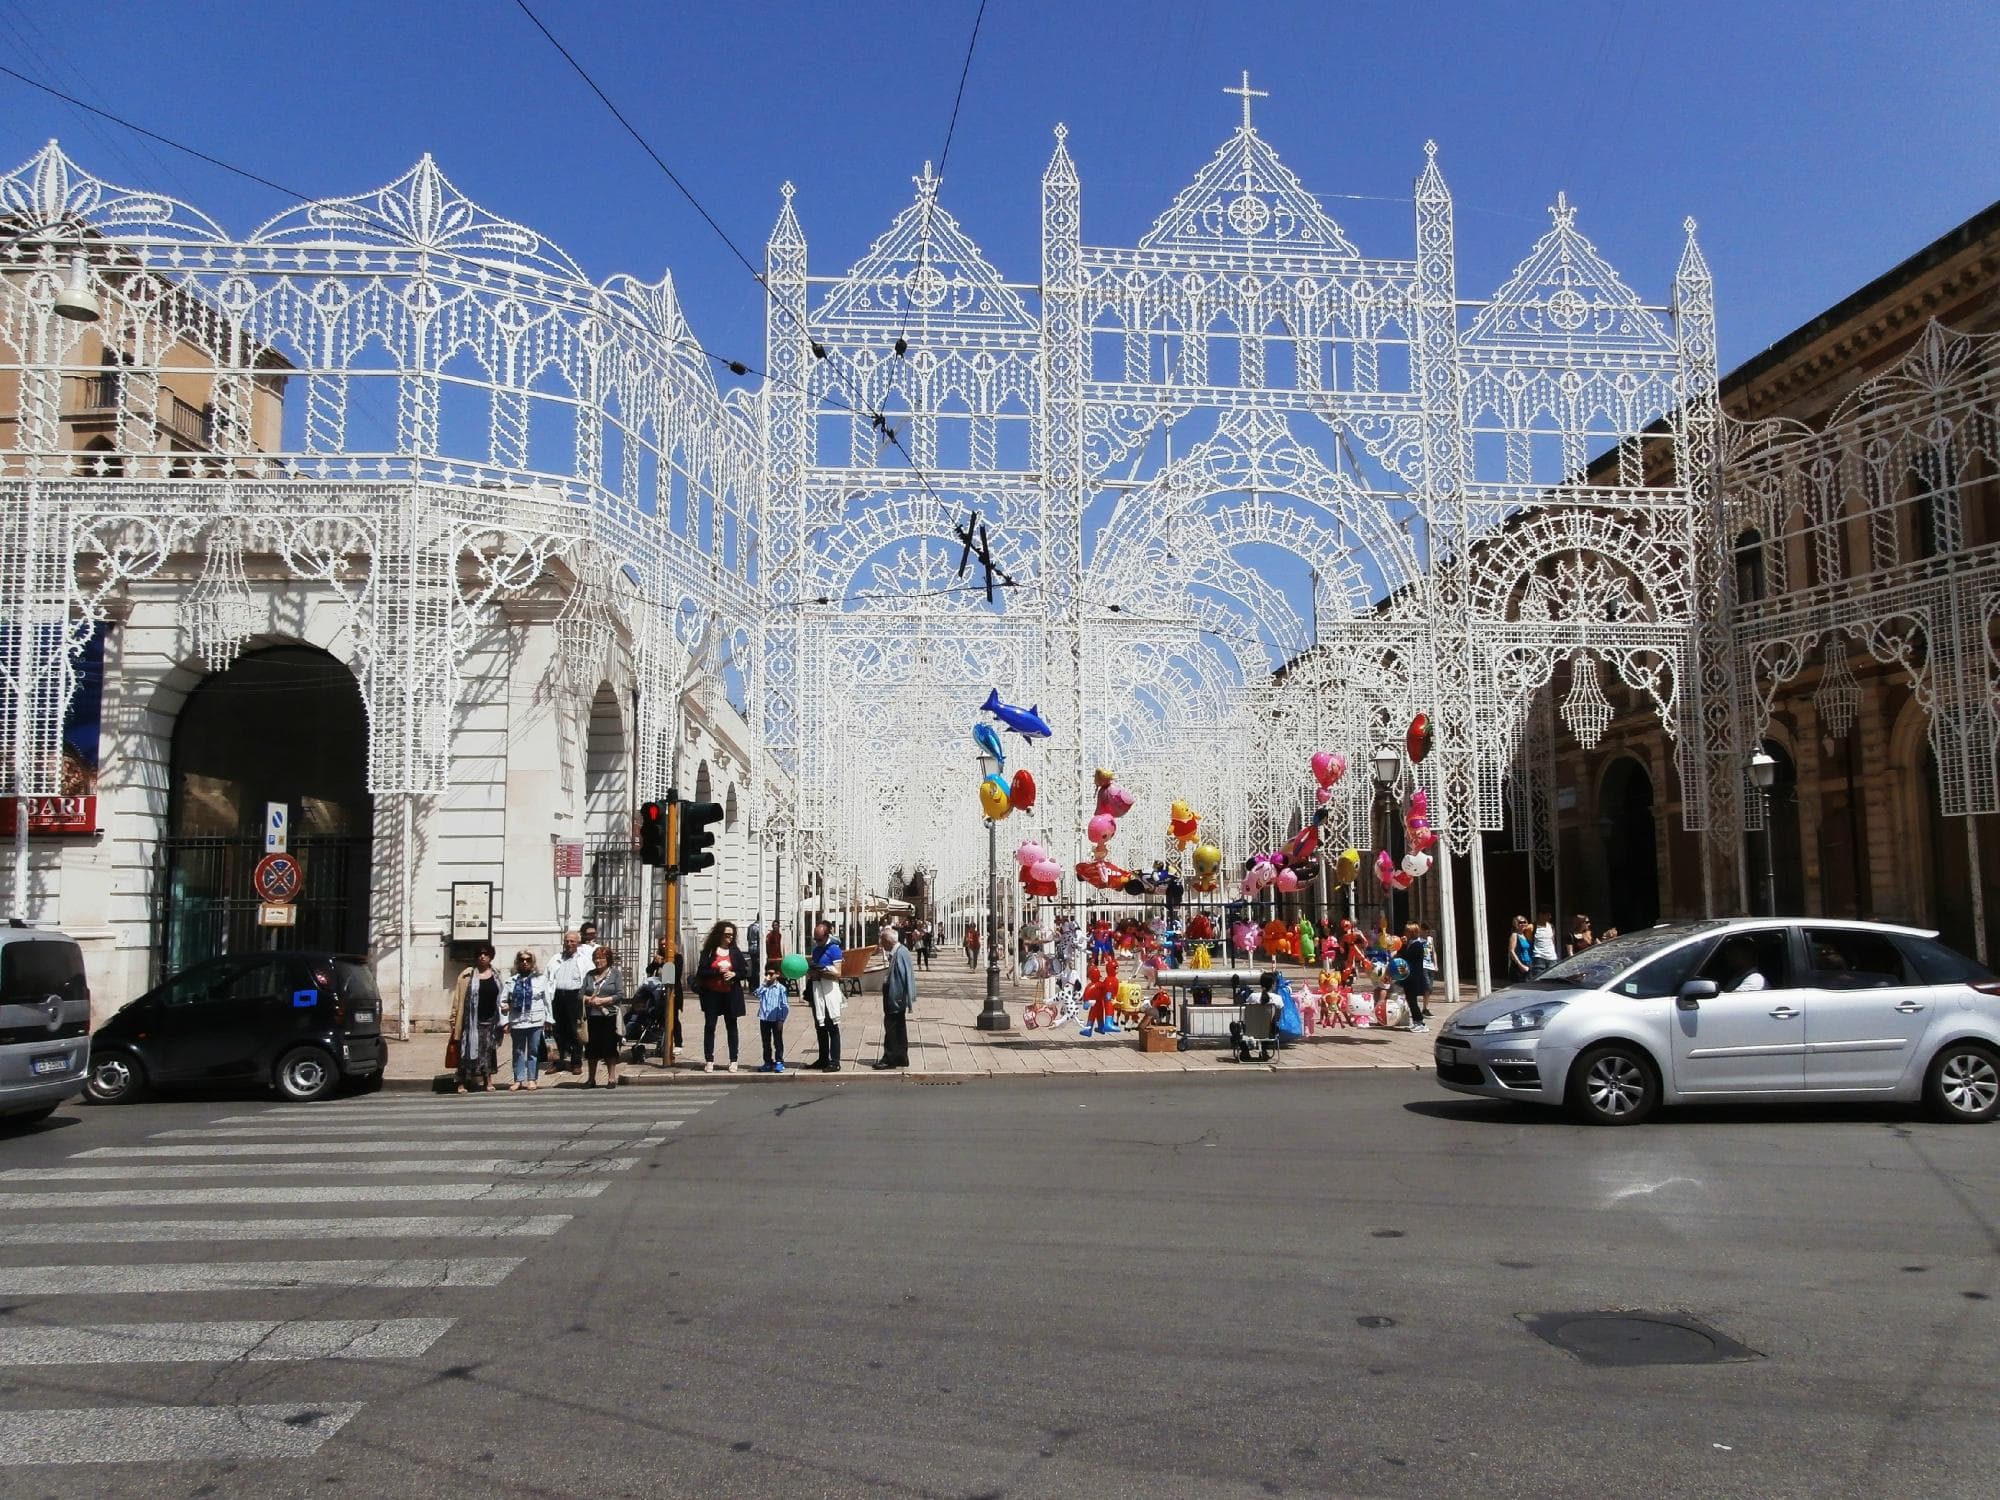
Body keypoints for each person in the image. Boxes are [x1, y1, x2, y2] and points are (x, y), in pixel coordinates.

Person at [693, 919, 750, 1074]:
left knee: (732, 1027)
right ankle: (709, 1060)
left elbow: (744, 972)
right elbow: (701, 972)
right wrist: (718, 971)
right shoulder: (709, 951)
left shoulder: (735, 952)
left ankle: (733, 1060)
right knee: (710, 1026)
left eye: (732, 935)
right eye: (726, 935)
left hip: (730, 994)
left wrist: (734, 974)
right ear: (719, 935)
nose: (729, 938)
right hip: (712, 994)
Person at [450, 943, 502, 1093]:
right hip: (470, 1021)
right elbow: (457, 999)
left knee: (488, 1052)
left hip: (490, 1020)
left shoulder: (496, 975)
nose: (482, 956)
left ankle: (488, 1080)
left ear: (491, 956)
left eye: (486, 954)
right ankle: (462, 1081)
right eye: (479, 954)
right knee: (466, 1051)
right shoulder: (467, 975)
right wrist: (453, 1021)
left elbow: (502, 996)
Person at [502, 948, 553, 1091]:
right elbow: (503, 1001)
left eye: (528, 960)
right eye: (522, 960)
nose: (525, 963)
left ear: (532, 963)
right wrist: (505, 1021)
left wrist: (549, 1019)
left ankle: (532, 1079)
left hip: (535, 1020)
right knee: (518, 1051)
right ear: (517, 963)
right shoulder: (510, 981)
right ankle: (518, 1079)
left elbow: (547, 1001)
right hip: (517, 1021)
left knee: (533, 1050)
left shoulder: (541, 979)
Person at [581, 944, 624, 1088]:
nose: (599, 961)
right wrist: (588, 1000)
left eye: (602, 958)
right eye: (596, 958)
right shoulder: (589, 975)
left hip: (609, 1015)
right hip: (592, 1016)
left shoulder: (615, 974)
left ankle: (611, 1078)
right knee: (591, 1048)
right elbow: (580, 994)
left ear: (608, 959)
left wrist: (603, 1000)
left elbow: (619, 994)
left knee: (609, 1047)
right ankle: (591, 1078)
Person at [874, 924, 916, 1070]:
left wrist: (908, 999)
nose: (881, 945)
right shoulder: (897, 951)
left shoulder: (901, 952)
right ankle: (901, 1057)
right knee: (898, 1027)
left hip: (895, 996)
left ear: (888, 941)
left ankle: (889, 1058)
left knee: (891, 1027)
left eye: (882, 941)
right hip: (894, 995)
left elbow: (907, 977)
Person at [807, 918, 845, 1072]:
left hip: (829, 990)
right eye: (815, 939)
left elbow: (838, 973)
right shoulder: (816, 950)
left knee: (832, 1026)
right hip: (817, 989)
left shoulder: (834, 949)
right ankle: (823, 1058)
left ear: (827, 935)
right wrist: (812, 972)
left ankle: (835, 1060)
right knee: (820, 1025)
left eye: (820, 939)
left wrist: (823, 971)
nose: (817, 942)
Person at [548, 930, 585, 1073]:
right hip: (557, 996)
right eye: (567, 941)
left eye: (572, 941)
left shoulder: (582, 959)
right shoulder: (556, 958)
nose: (569, 944)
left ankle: (576, 1062)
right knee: (557, 1031)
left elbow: (587, 979)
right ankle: (558, 1061)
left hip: (574, 997)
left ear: (578, 943)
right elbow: (548, 975)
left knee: (574, 1030)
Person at [755, 960, 790, 1073]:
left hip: (776, 1019)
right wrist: (764, 984)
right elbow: (756, 994)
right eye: (767, 974)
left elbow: (784, 1005)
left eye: (771, 974)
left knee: (778, 1041)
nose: (768, 976)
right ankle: (767, 1062)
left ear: (777, 974)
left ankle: (779, 1061)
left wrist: (781, 1019)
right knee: (766, 1042)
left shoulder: (781, 989)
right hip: (764, 1018)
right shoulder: (765, 987)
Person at [1400, 922, 1431, 1034]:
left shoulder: (1417, 945)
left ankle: (1420, 1022)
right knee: (1410, 1000)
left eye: (1407, 931)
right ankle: (1416, 1021)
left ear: (1412, 933)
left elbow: (1406, 957)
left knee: (1412, 1001)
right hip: (1409, 977)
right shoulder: (1411, 943)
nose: (1405, 933)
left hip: (1414, 976)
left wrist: (1403, 945)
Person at [1531, 911, 1558, 976]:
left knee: (1552, 980)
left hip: (1552, 958)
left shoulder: (1551, 926)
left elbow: (1553, 941)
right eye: (1548, 915)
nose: (1550, 917)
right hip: (1539, 957)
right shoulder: (1532, 926)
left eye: (1550, 915)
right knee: (1539, 981)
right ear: (1541, 915)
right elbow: (1529, 942)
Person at [1508, 916, 1533, 982]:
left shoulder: (1525, 935)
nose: (1523, 924)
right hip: (1519, 966)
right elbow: (1511, 951)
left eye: (1524, 922)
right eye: (1520, 922)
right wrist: (1520, 965)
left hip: (1528, 964)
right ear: (1515, 924)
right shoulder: (1514, 935)